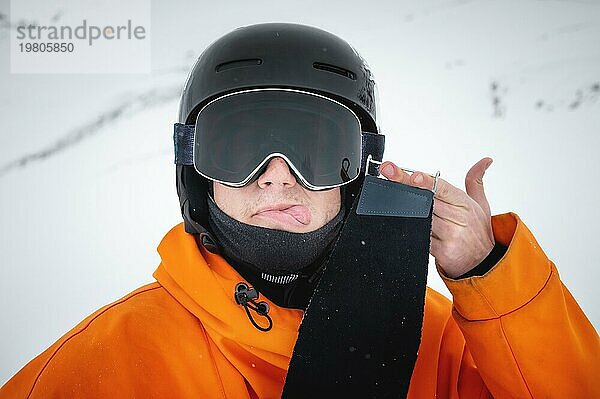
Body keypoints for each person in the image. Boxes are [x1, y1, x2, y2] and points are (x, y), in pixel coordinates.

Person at [1, 22, 598, 399]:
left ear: (360, 169)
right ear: (195, 171)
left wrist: (488, 276)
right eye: (239, 148)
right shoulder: (109, 363)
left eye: (316, 149)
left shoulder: (432, 339)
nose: (277, 176)